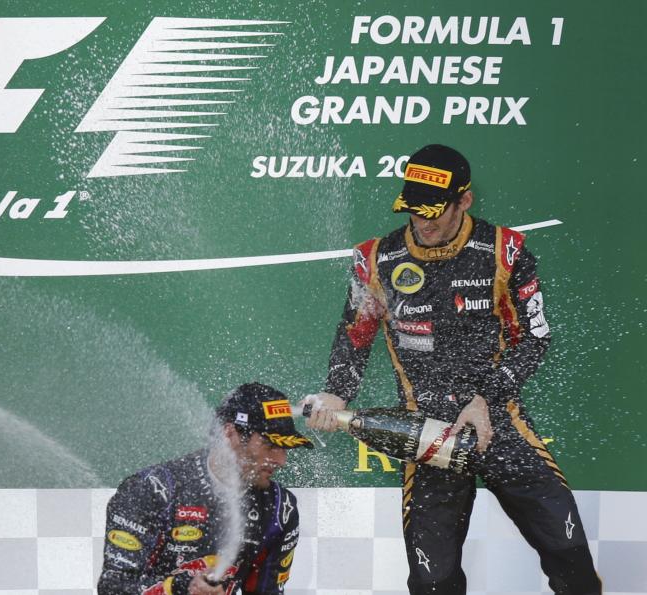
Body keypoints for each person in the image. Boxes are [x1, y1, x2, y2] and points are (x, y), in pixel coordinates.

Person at [303, 144, 601, 595]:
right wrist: (336, 393)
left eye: (434, 211)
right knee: (432, 581)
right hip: (426, 435)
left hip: (498, 422)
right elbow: (355, 334)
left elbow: (536, 338)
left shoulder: (505, 251)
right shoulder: (376, 260)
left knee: (569, 555)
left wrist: (487, 398)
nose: (422, 222)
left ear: (464, 200)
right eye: (413, 210)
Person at [98, 382, 312, 595]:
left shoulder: (280, 508)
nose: (281, 460)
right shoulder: (152, 490)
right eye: (271, 445)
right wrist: (180, 589)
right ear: (229, 434)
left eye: (285, 448)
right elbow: (113, 588)